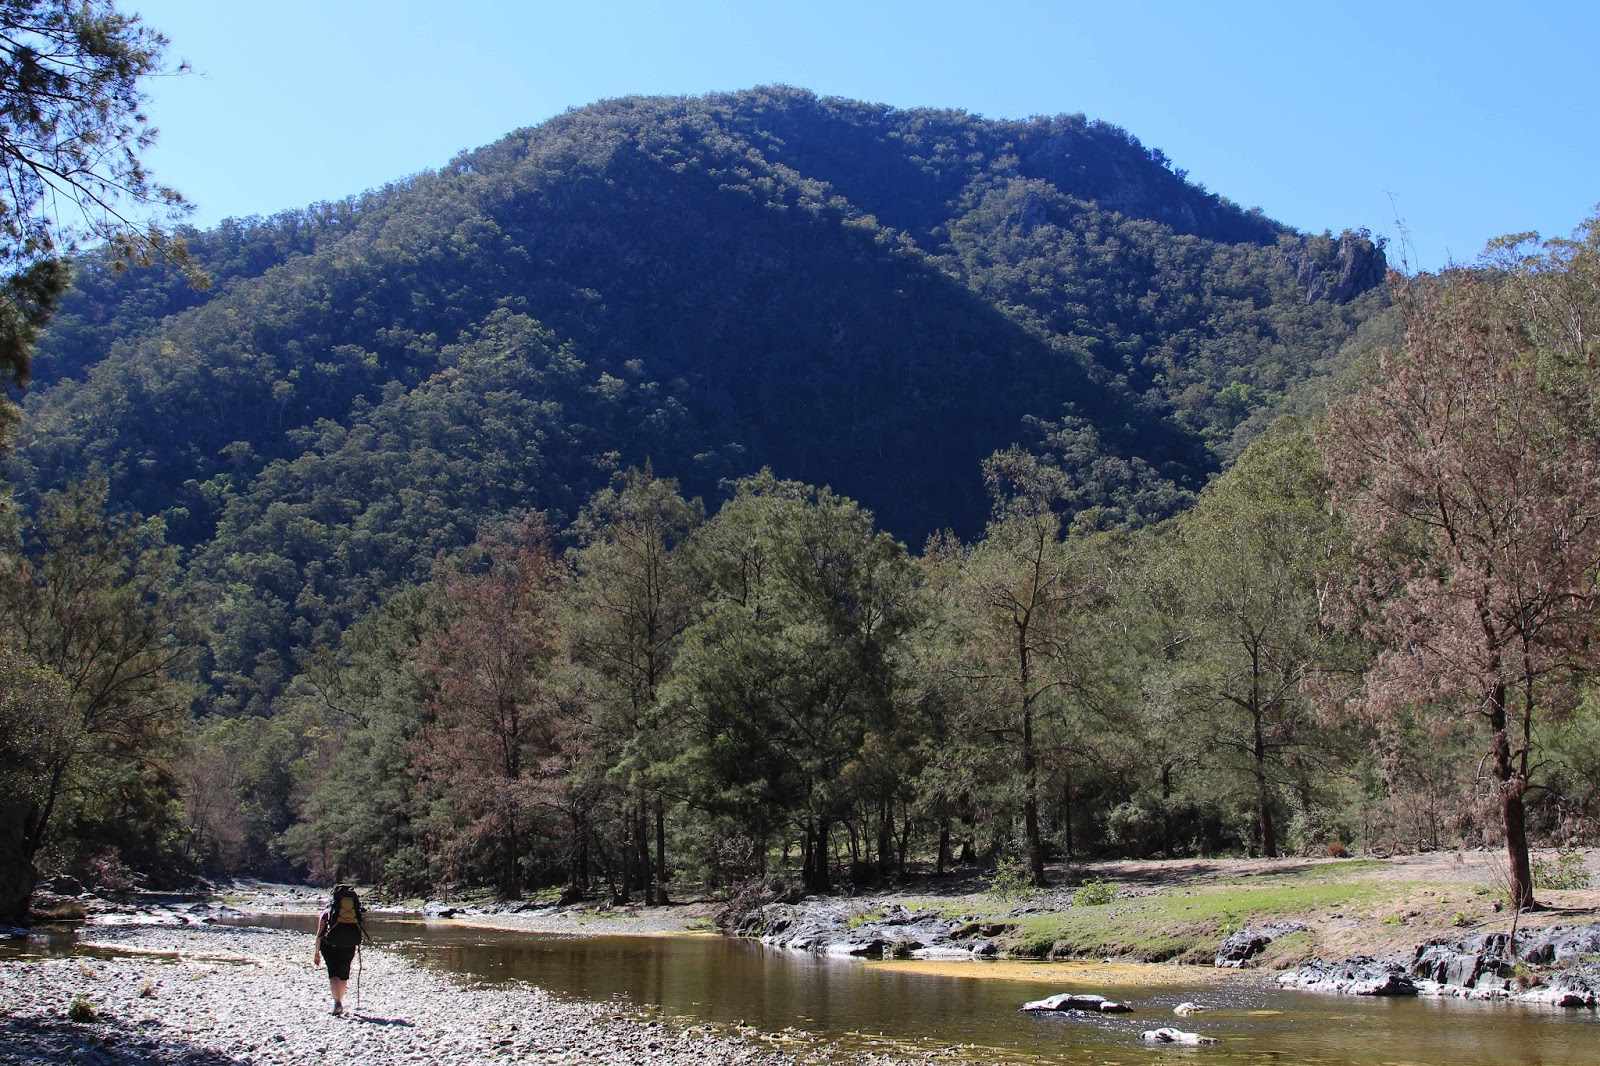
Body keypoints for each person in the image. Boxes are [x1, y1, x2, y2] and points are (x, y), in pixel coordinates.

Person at [312, 884, 367, 1016]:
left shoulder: (327, 912)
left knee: (333, 973)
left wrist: (316, 953)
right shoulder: (355, 911)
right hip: (349, 945)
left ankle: (337, 1002)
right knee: (344, 974)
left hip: (330, 945)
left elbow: (319, 934)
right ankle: (340, 1000)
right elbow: (359, 930)